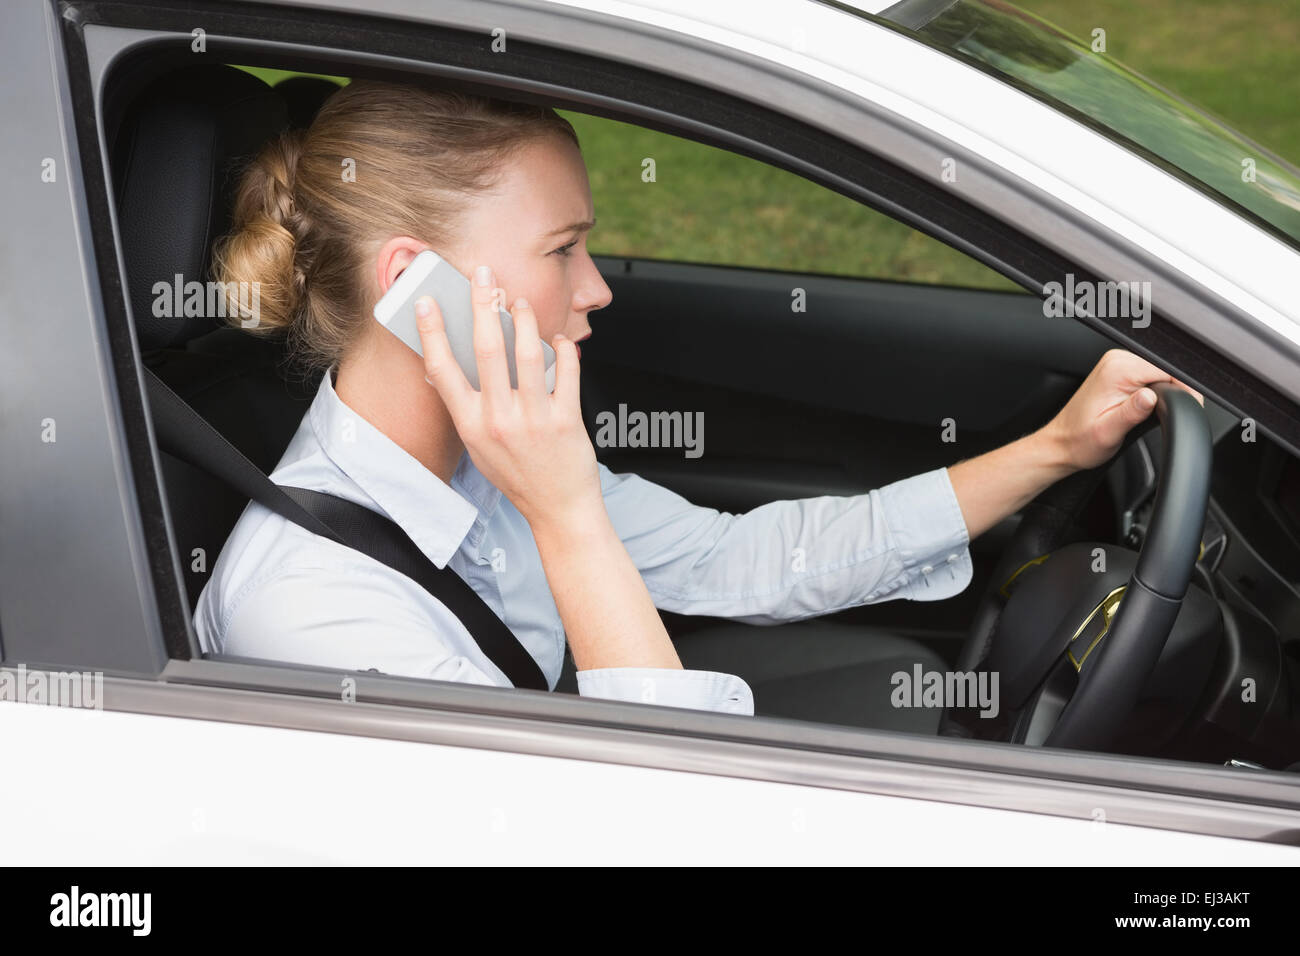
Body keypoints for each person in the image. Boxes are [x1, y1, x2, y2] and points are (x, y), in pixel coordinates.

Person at [193, 79, 1200, 723]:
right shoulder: (313, 610)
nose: (596, 290)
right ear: (416, 284)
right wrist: (568, 514)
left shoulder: (481, 458)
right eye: (561, 250)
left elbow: (739, 559)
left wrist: (1057, 448)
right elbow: (664, 827)